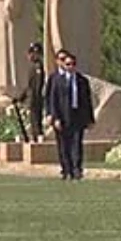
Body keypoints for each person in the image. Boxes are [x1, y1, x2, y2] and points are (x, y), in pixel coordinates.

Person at [45, 51, 94, 180]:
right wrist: (54, 117)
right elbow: (52, 99)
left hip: (77, 116)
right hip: (62, 117)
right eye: (67, 64)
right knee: (63, 145)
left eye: (73, 64)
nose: (70, 66)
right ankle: (66, 169)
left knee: (77, 143)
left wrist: (90, 119)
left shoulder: (82, 80)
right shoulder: (56, 80)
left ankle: (77, 169)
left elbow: (87, 101)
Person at [18, 42, 46, 141]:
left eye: (32, 53)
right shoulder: (32, 67)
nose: (29, 56)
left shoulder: (38, 67)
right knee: (33, 119)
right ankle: (35, 136)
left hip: (36, 98)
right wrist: (21, 97)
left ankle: (38, 137)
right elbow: (29, 86)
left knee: (36, 119)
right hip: (32, 97)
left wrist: (35, 98)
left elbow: (37, 85)